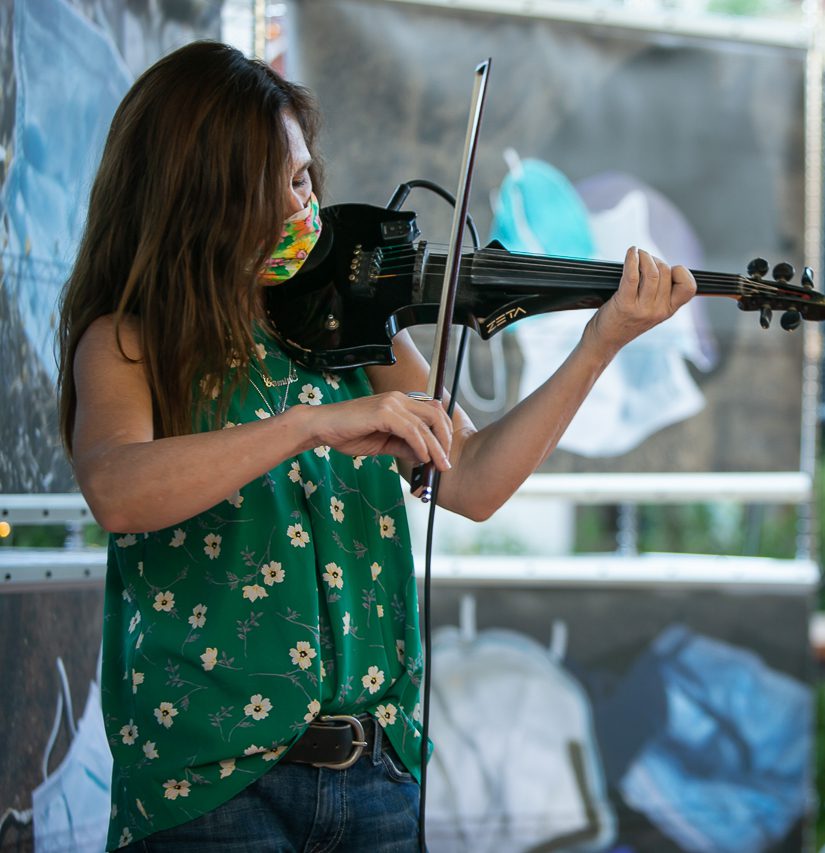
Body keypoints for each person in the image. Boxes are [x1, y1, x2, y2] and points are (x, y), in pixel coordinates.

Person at [57, 41, 695, 852]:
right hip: (208, 783)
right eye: (279, 188)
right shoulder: (131, 341)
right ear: (201, 199)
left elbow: (473, 482)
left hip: (375, 774)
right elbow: (116, 489)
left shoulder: (352, 322)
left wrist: (601, 342)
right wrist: (308, 425)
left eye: (303, 178)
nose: (306, 209)